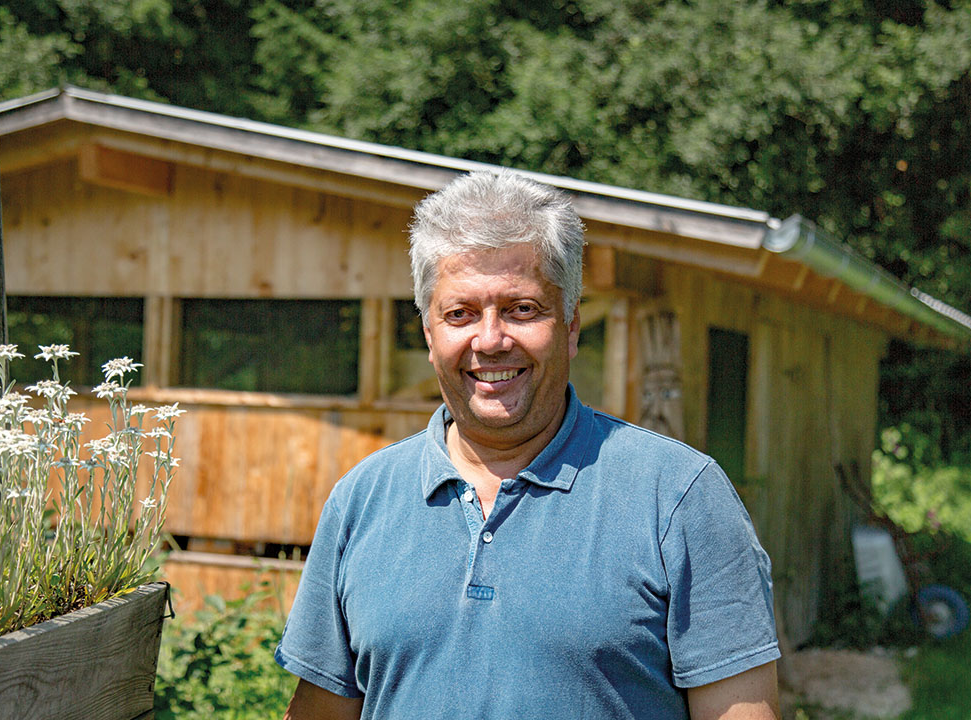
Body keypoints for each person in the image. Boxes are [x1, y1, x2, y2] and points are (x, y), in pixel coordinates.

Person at [276, 171, 781, 720]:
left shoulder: (679, 498)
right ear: (428, 334)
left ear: (569, 325)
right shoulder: (362, 500)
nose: (490, 341)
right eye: (460, 314)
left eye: (522, 309)